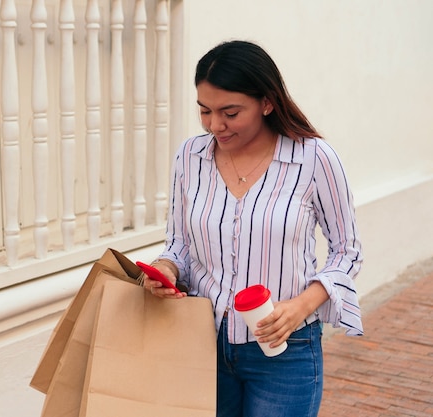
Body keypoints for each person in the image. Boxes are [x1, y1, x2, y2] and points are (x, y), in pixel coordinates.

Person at [142, 40, 363, 417]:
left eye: (230, 112)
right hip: (200, 344)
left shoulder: (313, 159)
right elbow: (178, 243)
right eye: (205, 111)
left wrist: (300, 307)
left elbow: (348, 250)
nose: (215, 125)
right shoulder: (190, 157)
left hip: (284, 350)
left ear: (266, 102)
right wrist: (166, 270)